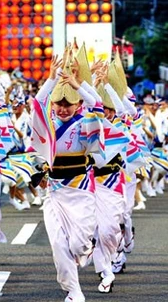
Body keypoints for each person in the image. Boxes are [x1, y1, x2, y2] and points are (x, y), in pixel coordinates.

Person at [30, 52, 104, 302]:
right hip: (55, 193)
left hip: (81, 191)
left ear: (77, 105)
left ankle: (88, 247)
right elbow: (38, 105)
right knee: (59, 246)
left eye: (68, 104)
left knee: (77, 246)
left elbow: (97, 106)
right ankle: (74, 292)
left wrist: (77, 85)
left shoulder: (85, 122)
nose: (62, 109)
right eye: (58, 104)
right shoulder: (47, 123)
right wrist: (51, 79)